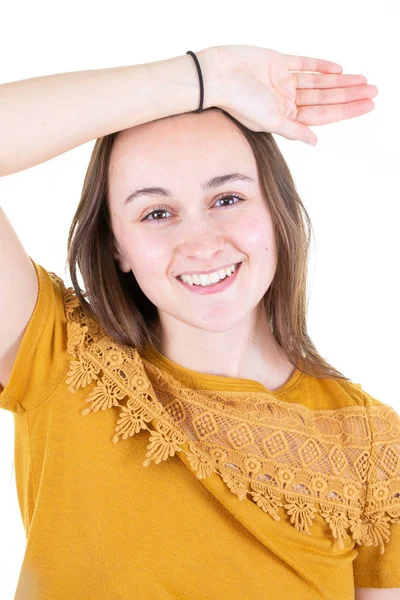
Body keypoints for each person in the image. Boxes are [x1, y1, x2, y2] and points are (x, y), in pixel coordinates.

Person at [0, 44, 398, 599]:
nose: (201, 243)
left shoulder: (374, 445)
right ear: (118, 245)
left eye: (228, 198)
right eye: (156, 212)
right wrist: (201, 77)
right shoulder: (58, 356)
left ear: (275, 216)